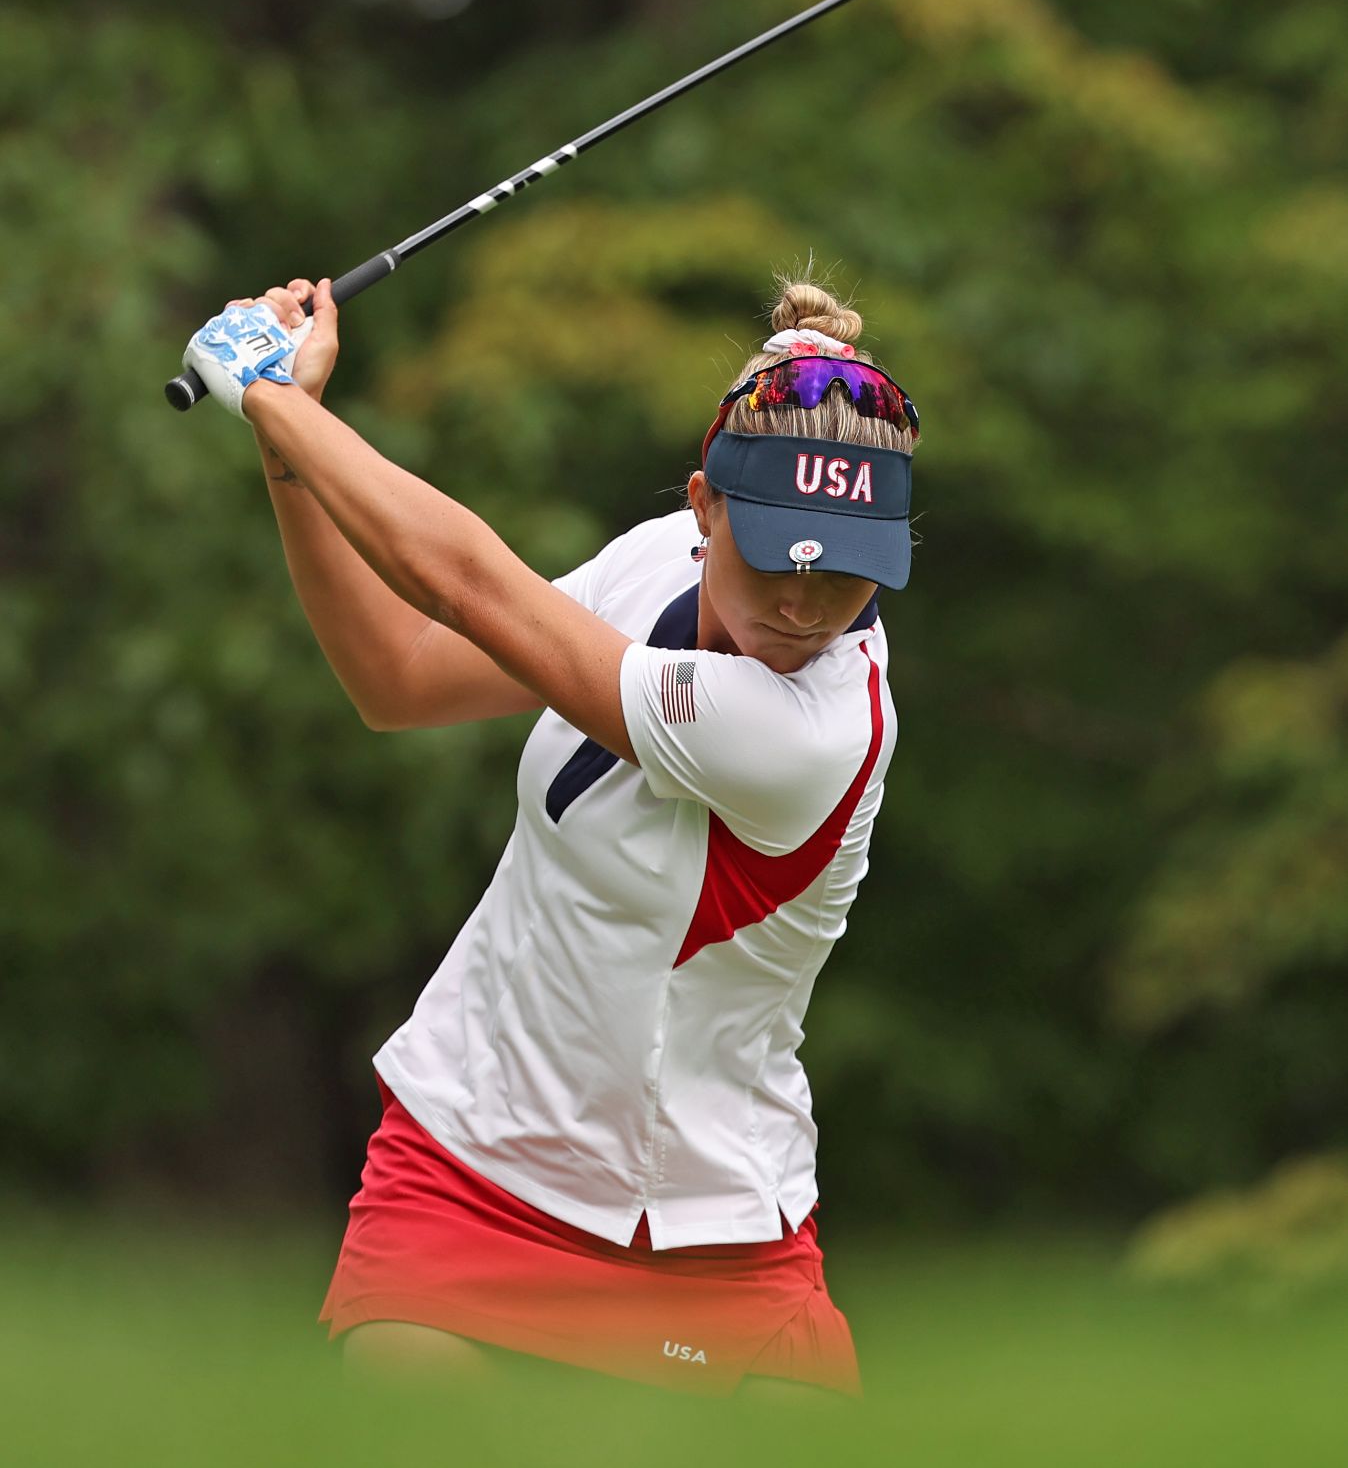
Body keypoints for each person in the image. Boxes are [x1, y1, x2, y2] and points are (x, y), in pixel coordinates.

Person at [183, 267, 919, 1399]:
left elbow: (470, 584)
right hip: (468, 1160)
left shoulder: (815, 729)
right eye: (776, 556)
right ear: (703, 506)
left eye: (849, 578)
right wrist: (290, 443)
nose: (803, 609)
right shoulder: (645, 559)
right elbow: (400, 676)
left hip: (712, 1218)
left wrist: (272, 398)